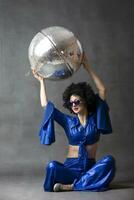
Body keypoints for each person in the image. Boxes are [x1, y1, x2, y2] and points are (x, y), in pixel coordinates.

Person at [32, 52, 116, 192]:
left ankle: (72, 186)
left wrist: (87, 67)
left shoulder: (95, 118)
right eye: (71, 103)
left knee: (109, 161)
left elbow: (102, 89)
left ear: (86, 100)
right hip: (70, 168)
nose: (74, 105)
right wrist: (41, 82)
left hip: (90, 169)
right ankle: (84, 184)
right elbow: (46, 106)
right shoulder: (68, 121)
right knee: (52, 166)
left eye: (77, 101)